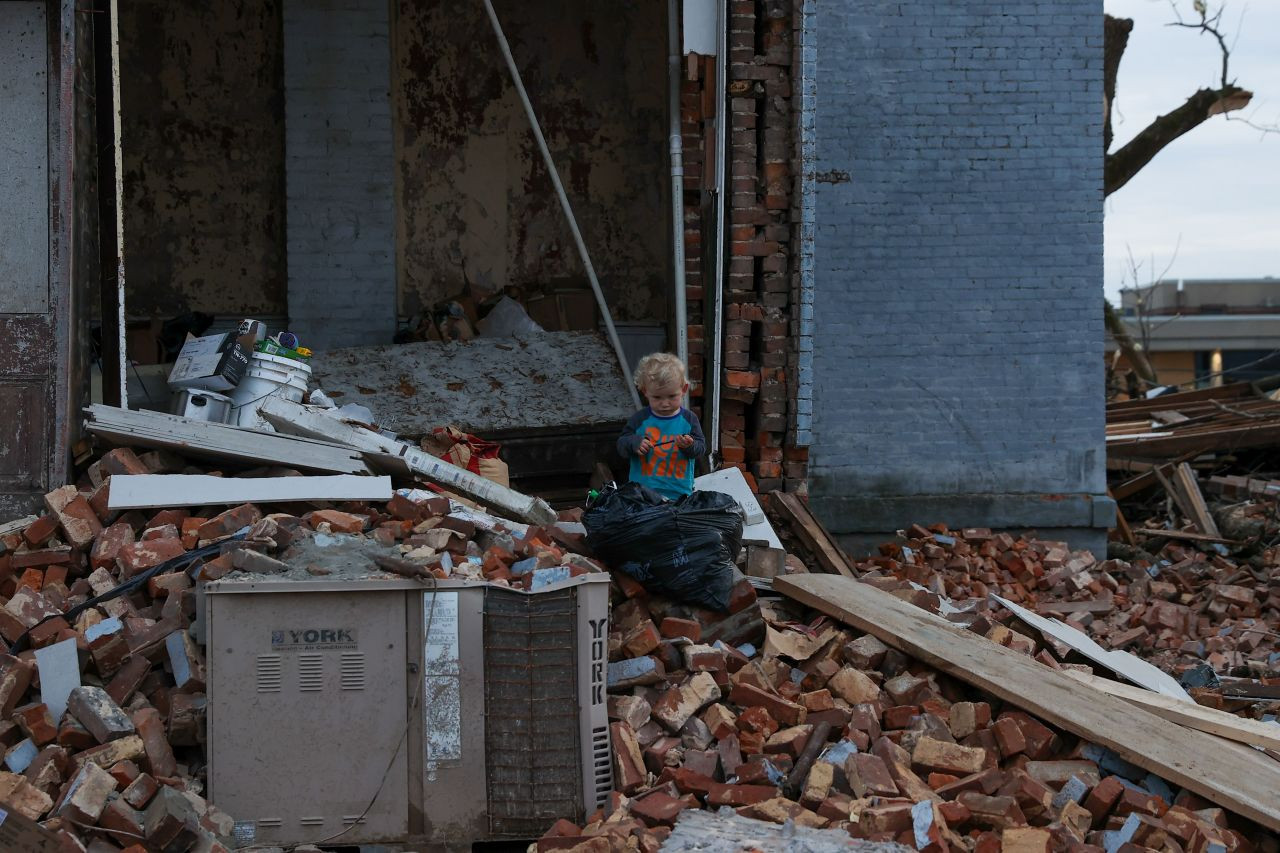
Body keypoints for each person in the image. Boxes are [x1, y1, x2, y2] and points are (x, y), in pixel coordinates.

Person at [616, 353, 706, 500]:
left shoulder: (689, 419)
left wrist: (689, 446)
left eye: (672, 396)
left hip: (679, 495)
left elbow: (701, 449)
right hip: (642, 495)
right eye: (657, 397)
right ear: (645, 391)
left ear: (684, 389)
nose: (665, 403)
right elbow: (621, 445)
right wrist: (634, 443)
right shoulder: (640, 419)